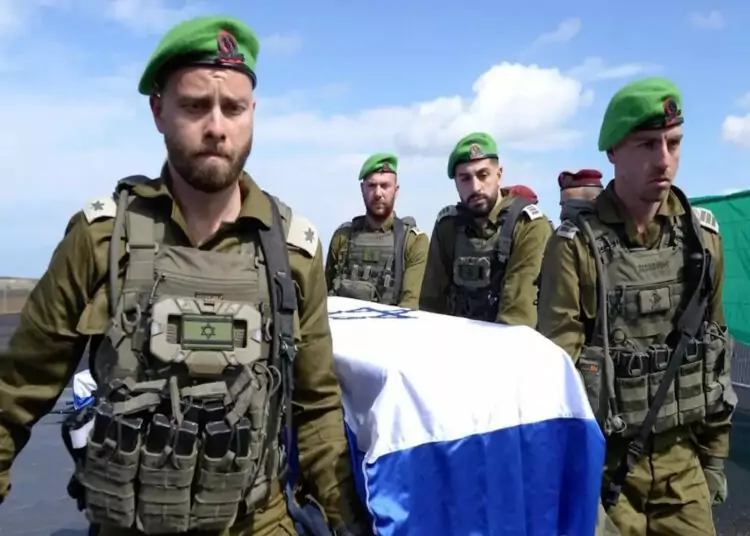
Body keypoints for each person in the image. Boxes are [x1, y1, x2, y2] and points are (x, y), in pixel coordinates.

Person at [0, 15, 370, 536]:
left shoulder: (294, 253)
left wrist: (347, 522)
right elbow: (16, 390)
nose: (217, 126)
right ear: (159, 111)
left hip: (256, 523)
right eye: (195, 106)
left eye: (233, 108)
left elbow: (316, 410)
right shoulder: (102, 240)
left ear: (252, 114)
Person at [537, 76, 737, 536]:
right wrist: (574, 489)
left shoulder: (702, 241)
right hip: (606, 473)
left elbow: (715, 354)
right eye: (647, 144)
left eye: (673, 143)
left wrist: (714, 459)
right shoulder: (575, 247)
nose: (664, 159)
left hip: (682, 464)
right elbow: (556, 384)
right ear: (613, 151)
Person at [419, 132, 551, 326]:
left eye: (483, 175)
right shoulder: (448, 227)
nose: (476, 187)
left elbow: (517, 316)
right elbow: (430, 304)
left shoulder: (528, 226)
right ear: (456, 183)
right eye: (465, 178)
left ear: (499, 175)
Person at [325, 153, 428, 308]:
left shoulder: (413, 241)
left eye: (385, 186)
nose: (378, 193)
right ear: (362, 189)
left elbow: (409, 306)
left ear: (396, 190)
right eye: (372, 186)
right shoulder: (343, 236)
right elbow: (323, 296)